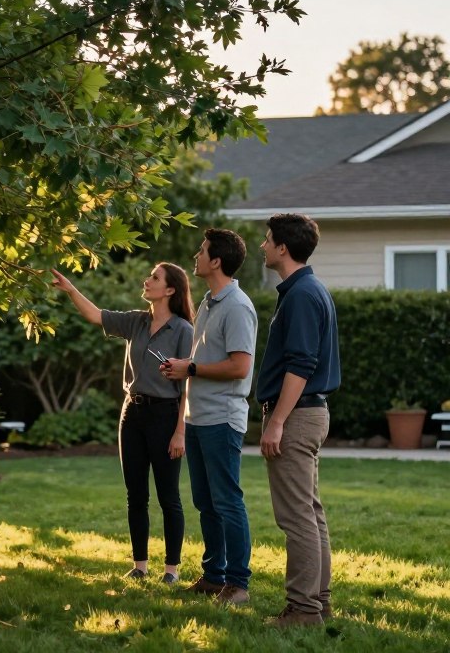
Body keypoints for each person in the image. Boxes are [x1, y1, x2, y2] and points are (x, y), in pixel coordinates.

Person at [51, 263, 194, 584]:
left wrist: (180, 431)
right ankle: (140, 565)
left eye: (154, 278)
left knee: (168, 496)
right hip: (132, 414)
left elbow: (188, 385)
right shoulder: (137, 322)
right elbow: (96, 315)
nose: (147, 280)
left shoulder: (184, 330)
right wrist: (72, 290)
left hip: (166, 416)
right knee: (136, 495)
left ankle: (171, 570)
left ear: (170, 290)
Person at [163, 228, 257, 606]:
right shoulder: (208, 301)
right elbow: (200, 363)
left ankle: (238, 584)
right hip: (199, 417)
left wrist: (192, 369)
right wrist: (186, 371)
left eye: (202, 251)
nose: (196, 255)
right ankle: (213, 575)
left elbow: (240, 367)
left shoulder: (237, 306)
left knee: (227, 500)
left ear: (216, 260)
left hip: (222, 418)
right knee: (206, 501)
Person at [256, 213, 341, 628]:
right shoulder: (304, 289)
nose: (262, 246)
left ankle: (304, 609)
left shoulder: (303, 294)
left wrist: (277, 422)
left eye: (268, 239)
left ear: (283, 248)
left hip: (299, 414)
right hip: (307, 412)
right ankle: (319, 603)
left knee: (296, 517)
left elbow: (301, 365)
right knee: (309, 512)